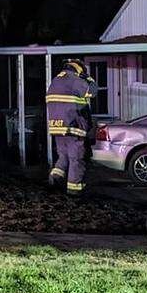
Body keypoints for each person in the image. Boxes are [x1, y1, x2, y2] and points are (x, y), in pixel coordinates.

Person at [45, 58, 97, 196]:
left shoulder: (56, 80)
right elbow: (93, 91)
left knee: (63, 156)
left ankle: (54, 178)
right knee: (76, 158)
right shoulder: (74, 80)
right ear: (78, 69)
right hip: (73, 126)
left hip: (57, 127)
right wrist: (89, 79)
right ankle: (74, 189)